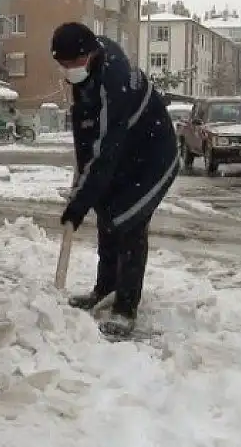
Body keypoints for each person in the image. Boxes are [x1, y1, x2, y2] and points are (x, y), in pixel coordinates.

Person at [51, 22, 178, 337]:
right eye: (63, 64)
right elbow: (87, 139)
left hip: (154, 155)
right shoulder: (90, 69)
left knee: (129, 221)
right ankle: (104, 288)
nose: (70, 70)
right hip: (126, 150)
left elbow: (104, 151)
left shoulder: (113, 81)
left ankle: (125, 307)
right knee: (107, 214)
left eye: (75, 63)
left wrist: (78, 205)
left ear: (91, 54)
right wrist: (83, 187)